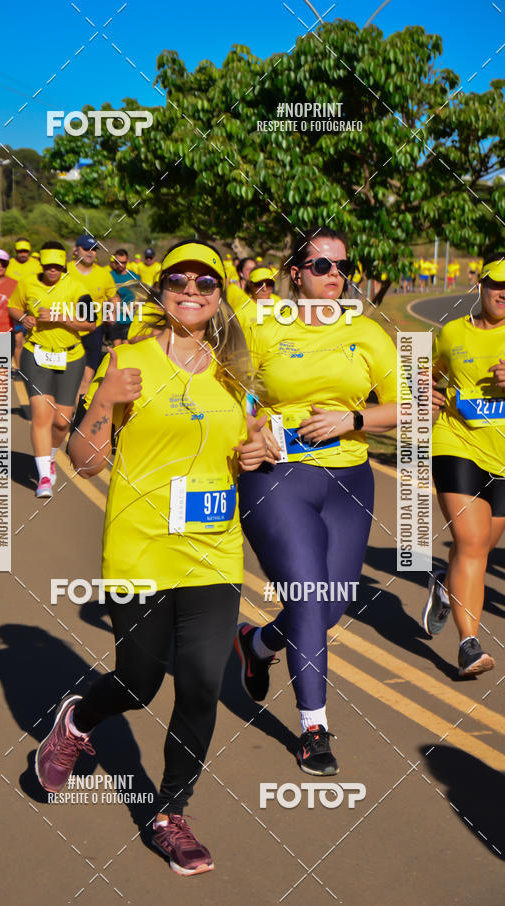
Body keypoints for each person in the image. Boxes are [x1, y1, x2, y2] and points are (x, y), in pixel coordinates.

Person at [36, 239, 270, 876]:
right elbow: (85, 462)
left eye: (205, 282)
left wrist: (257, 452)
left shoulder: (237, 373)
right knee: (139, 684)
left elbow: (252, 446)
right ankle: (78, 721)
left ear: (220, 294)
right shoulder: (129, 358)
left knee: (200, 684)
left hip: (213, 552)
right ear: (161, 290)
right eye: (178, 280)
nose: (191, 290)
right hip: (139, 546)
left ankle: (171, 814)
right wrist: (104, 400)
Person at [234, 227, 399, 775]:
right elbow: (230, 392)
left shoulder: (367, 332)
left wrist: (353, 418)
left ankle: (258, 644)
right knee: (307, 597)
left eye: (343, 267)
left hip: (350, 481)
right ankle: (314, 728)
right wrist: (251, 431)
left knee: (330, 606)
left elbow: (408, 406)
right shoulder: (261, 325)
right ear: (296, 272)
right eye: (322, 265)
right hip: (279, 475)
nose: (335, 276)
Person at [422, 253, 505, 676]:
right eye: (496, 284)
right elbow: (426, 373)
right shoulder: (452, 332)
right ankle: (468, 645)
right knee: (471, 543)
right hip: (455, 443)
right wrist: (425, 390)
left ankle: (445, 584)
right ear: (480, 286)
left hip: (502, 457)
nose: (503, 293)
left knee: (479, 547)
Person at [8, 241, 96, 497]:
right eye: (49, 266)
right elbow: (13, 306)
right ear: (42, 264)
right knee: (41, 415)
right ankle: (44, 477)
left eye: (58, 266)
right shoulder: (27, 283)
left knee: (61, 421)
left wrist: (60, 318)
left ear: (64, 265)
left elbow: (90, 324)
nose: (53, 270)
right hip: (36, 355)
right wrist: (23, 318)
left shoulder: (77, 288)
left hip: (71, 358)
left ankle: (51, 457)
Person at [68, 235, 120, 397]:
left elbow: (114, 297)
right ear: (75, 250)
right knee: (68, 375)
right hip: (67, 329)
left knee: (88, 374)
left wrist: (112, 312)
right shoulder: (65, 270)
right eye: (86, 249)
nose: (90, 253)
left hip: (94, 329)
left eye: (94, 249)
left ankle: (78, 409)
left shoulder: (103, 274)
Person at [6, 239, 42, 373]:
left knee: (34, 340)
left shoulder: (36, 265)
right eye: (20, 251)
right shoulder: (9, 264)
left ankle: (35, 367)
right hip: (16, 308)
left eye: (25, 251)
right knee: (18, 340)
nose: (23, 254)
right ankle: (19, 369)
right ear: (16, 251)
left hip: (34, 308)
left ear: (29, 251)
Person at [108, 248, 140, 346]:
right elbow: (104, 296)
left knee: (127, 347)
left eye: (123, 262)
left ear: (128, 261)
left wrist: (133, 306)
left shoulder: (134, 277)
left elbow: (140, 297)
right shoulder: (109, 276)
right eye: (118, 262)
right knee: (117, 348)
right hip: (114, 318)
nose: (120, 265)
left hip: (130, 318)